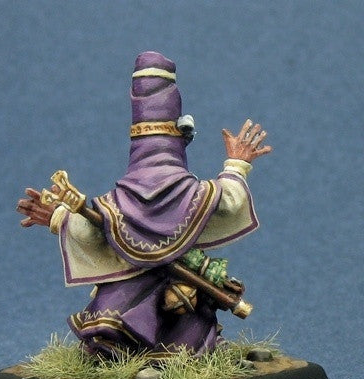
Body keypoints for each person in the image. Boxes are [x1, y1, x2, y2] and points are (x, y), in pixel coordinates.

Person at [17, 51, 271, 359]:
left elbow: (89, 232)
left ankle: (134, 353)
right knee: (173, 323)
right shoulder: (194, 194)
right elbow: (231, 201)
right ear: (179, 142)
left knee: (155, 307)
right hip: (162, 297)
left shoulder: (116, 203)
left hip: (171, 292)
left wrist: (59, 217)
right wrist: (236, 164)